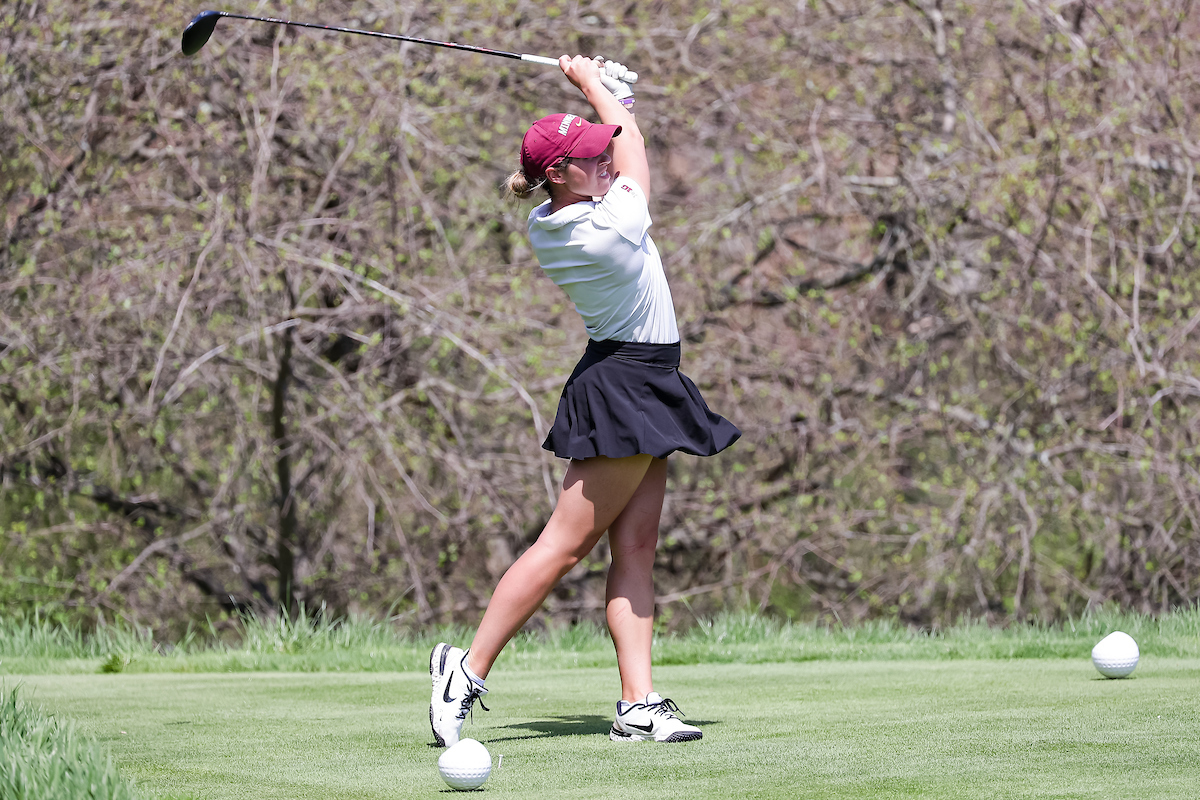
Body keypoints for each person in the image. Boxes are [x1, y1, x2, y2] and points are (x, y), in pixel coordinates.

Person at [429, 54, 739, 747]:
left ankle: (638, 704)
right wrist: (595, 87)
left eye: (602, 154)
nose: (604, 163)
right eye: (588, 160)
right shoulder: (602, 229)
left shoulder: (557, 217)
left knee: (635, 545)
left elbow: (618, 146)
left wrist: (610, 100)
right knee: (564, 547)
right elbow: (636, 164)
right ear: (560, 175)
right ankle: (465, 669)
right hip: (626, 383)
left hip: (642, 377)